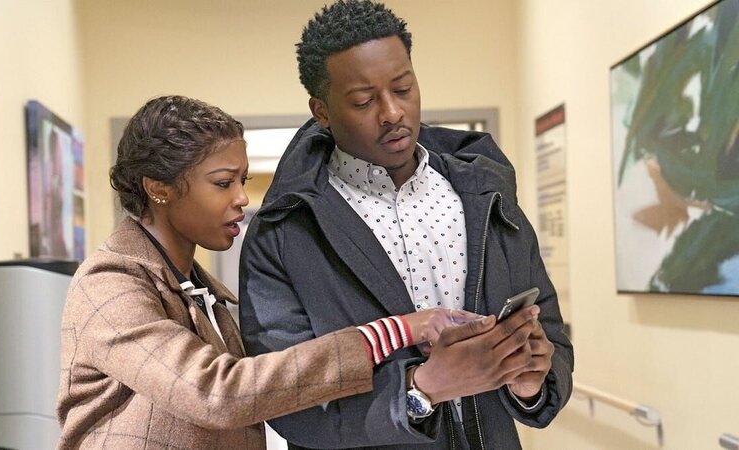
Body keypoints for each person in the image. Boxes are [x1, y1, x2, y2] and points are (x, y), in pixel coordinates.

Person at [55, 95, 486, 449]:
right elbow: (216, 394)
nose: (242, 199)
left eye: (242, 180)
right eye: (223, 183)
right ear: (158, 189)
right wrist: (399, 330)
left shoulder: (203, 294)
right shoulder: (109, 285)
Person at [238, 1, 574, 448]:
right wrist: (420, 390)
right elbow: (286, 399)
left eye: (403, 88)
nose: (392, 112)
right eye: (364, 101)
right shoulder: (283, 233)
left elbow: (549, 332)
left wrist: (530, 383)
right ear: (321, 111)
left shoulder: (485, 194)